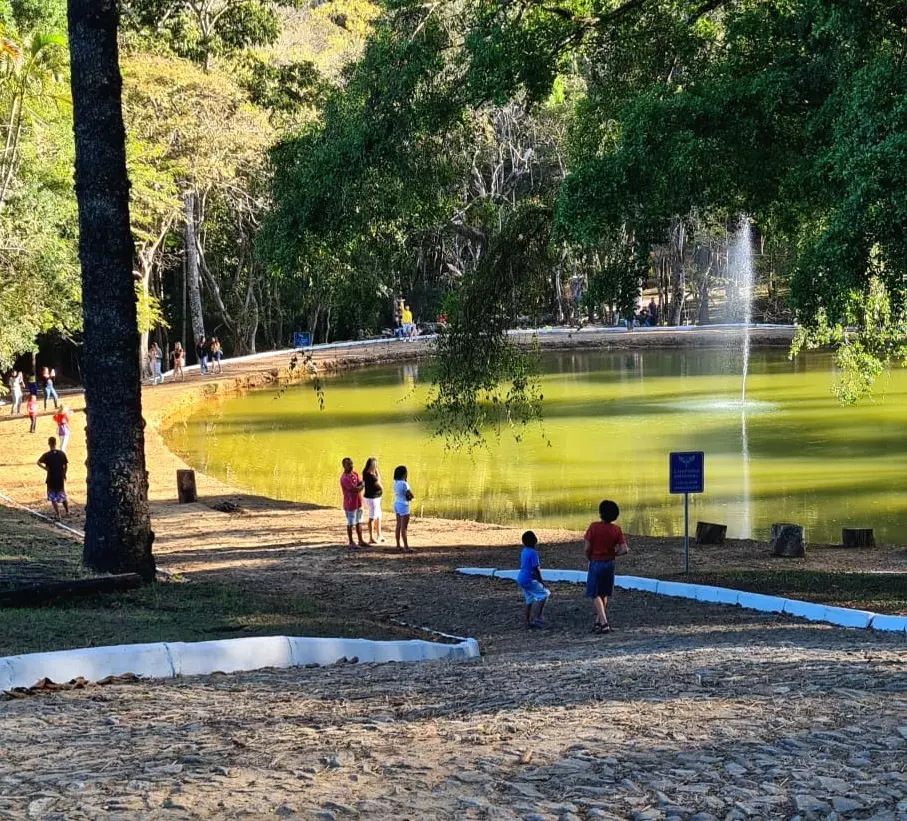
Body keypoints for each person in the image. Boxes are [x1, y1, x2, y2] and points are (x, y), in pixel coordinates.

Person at [584, 499, 629, 634]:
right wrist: (614, 554)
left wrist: (589, 557)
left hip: (596, 562)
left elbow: (587, 547)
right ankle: (598, 622)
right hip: (610, 563)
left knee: (594, 593)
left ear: (601, 513)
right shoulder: (616, 530)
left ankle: (604, 622)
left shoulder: (594, 527)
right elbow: (624, 549)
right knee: (604, 592)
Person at [516, 530, 549, 629]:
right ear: (534, 541)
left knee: (529, 599)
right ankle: (538, 617)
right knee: (544, 594)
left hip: (521, 578)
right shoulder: (533, 553)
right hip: (528, 579)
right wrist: (541, 582)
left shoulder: (524, 551)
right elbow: (536, 569)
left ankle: (527, 622)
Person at [37, 436, 69, 519]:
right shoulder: (61, 454)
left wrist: (45, 469)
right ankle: (67, 511)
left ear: (49, 444)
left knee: (52, 496)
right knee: (62, 494)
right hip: (60, 478)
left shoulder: (47, 455)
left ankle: (58, 514)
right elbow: (65, 465)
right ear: (55, 443)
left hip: (51, 478)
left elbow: (38, 462)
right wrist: (64, 474)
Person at [340, 457, 367, 548]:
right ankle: (351, 542)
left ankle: (360, 540)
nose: (351, 466)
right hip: (350, 504)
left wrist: (361, 485)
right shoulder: (344, 478)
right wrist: (361, 485)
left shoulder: (355, 474)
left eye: (351, 464)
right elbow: (355, 489)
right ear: (344, 466)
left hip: (358, 502)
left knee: (359, 521)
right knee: (350, 523)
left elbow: (360, 483)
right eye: (348, 464)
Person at [362, 456, 385, 544]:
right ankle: (371, 537)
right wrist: (377, 472)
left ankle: (379, 534)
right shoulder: (372, 476)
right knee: (372, 517)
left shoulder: (365, 472)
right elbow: (379, 484)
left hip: (373, 498)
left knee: (378, 516)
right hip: (372, 499)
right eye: (375, 465)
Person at [392, 465, 415, 552]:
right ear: (404, 474)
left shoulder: (395, 483)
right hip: (403, 505)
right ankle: (406, 546)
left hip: (396, 504)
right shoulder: (404, 484)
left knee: (398, 525)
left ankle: (398, 545)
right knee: (404, 527)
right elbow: (410, 494)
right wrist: (411, 497)